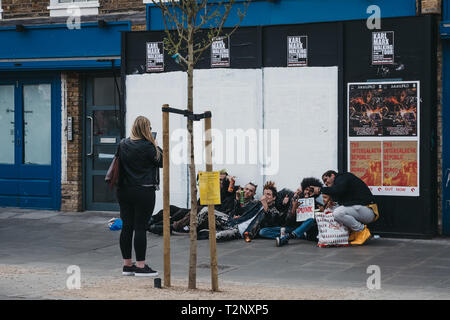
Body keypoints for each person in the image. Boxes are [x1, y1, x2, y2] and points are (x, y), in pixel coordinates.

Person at [116, 116, 162, 277]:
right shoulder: (149, 146)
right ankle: (141, 266)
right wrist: (156, 144)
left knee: (127, 226)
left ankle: (127, 265)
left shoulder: (123, 144)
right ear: (145, 129)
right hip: (144, 191)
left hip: (124, 191)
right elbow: (162, 161)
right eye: (148, 128)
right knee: (140, 227)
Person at [310, 170, 380, 245]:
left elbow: (338, 190)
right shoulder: (340, 183)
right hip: (363, 210)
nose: (326, 183)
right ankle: (356, 233)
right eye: (324, 182)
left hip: (368, 210)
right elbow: (339, 193)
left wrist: (320, 189)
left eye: (326, 180)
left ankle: (361, 231)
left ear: (333, 175)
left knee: (338, 213)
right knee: (336, 210)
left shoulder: (342, 177)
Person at [260, 177, 323, 247]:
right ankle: (295, 235)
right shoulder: (295, 199)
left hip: (306, 230)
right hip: (292, 228)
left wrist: (322, 211)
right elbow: (288, 221)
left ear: (315, 192)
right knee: (263, 232)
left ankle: (288, 237)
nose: (307, 192)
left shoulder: (317, 204)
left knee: (311, 220)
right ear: (303, 189)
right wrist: (294, 208)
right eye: (306, 189)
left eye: (311, 191)